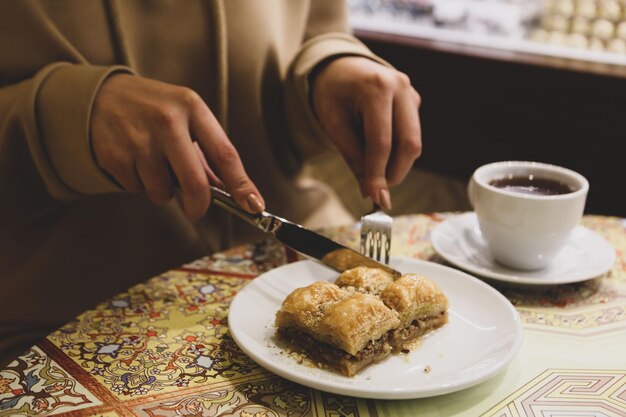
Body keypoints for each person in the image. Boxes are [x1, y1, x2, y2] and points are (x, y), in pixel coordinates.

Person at [0, 0, 423, 366]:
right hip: (70, 313)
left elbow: (315, 30)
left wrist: (329, 68)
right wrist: (64, 118)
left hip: (293, 260)